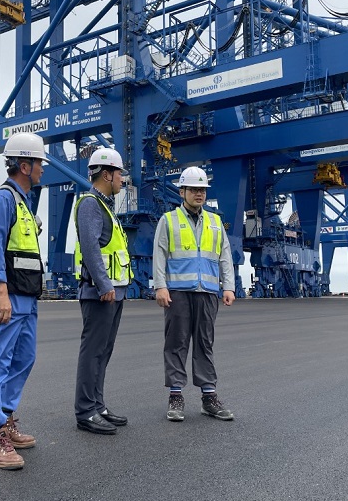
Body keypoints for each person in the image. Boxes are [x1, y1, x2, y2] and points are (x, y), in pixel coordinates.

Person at [0, 132, 47, 470]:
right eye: (39, 164)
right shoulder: (2, 199)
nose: (42, 169)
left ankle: (5, 419)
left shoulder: (24, 203)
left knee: (24, 359)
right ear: (24, 164)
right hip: (7, 297)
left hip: (26, 298)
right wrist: (0, 292)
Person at [152, 166, 236, 422]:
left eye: (202, 190)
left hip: (208, 292)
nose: (199, 194)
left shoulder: (215, 221)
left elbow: (225, 256)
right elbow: (159, 254)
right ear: (182, 191)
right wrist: (160, 286)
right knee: (176, 344)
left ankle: (209, 397)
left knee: (205, 344)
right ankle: (175, 396)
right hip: (177, 291)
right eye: (194, 189)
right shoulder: (168, 220)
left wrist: (229, 286)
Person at [73, 147, 133, 434]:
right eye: (119, 173)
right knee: (93, 352)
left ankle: (97, 405)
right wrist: (104, 284)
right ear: (107, 174)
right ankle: (86, 411)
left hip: (113, 293)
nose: (122, 179)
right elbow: (90, 246)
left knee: (104, 351)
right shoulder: (89, 204)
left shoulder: (105, 205)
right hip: (101, 293)